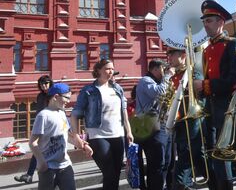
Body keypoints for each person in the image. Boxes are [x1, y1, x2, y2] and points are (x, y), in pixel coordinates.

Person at [192, 0, 236, 190]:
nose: (205, 24)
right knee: (228, 153)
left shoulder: (233, 43)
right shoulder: (207, 49)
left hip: (229, 107)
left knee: (228, 152)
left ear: (221, 22)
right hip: (213, 106)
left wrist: (204, 85)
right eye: (204, 21)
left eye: (209, 20)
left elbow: (235, 79)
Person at [71, 59, 133, 190]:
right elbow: (75, 114)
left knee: (116, 173)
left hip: (118, 134)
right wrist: (76, 136)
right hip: (97, 136)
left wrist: (129, 131)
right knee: (109, 171)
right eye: (107, 68)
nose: (110, 71)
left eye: (112, 69)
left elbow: (124, 112)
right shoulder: (89, 90)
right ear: (98, 70)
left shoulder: (118, 89)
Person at [29, 82, 93, 190]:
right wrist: (42, 162)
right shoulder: (43, 115)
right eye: (66, 98)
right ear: (56, 97)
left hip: (65, 165)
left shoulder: (62, 113)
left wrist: (83, 145)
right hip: (48, 168)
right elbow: (32, 142)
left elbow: (67, 135)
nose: (68, 101)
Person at [165, 46, 212, 190]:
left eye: (172, 54)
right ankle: (218, 183)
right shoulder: (173, 78)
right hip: (180, 124)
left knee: (186, 157)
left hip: (193, 122)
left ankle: (180, 185)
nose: (169, 57)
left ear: (183, 55)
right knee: (197, 158)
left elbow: (201, 98)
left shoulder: (193, 74)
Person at [134, 59, 172, 189]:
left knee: (166, 161)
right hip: (150, 125)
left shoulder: (158, 81)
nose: (165, 71)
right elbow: (159, 92)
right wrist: (168, 76)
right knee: (156, 163)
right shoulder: (146, 80)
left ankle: (162, 185)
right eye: (163, 69)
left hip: (162, 124)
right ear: (155, 69)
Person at [15, 75, 53, 184]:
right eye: (42, 84)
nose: (44, 86)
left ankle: (32, 175)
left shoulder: (54, 95)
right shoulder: (40, 96)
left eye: (46, 83)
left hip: (52, 127)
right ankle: (29, 175)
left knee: (49, 150)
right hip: (41, 126)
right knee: (37, 150)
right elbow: (38, 112)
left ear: (50, 83)